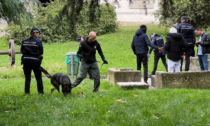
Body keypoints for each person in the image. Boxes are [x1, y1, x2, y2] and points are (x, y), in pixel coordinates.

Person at [20, 27, 44, 94]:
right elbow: (41, 52)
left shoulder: (24, 40)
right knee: (38, 78)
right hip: (35, 61)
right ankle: (41, 92)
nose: (39, 35)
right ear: (35, 33)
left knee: (27, 78)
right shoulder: (39, 41)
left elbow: (22, 51)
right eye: (38, 33)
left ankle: (27, 93)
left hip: (26, 61)